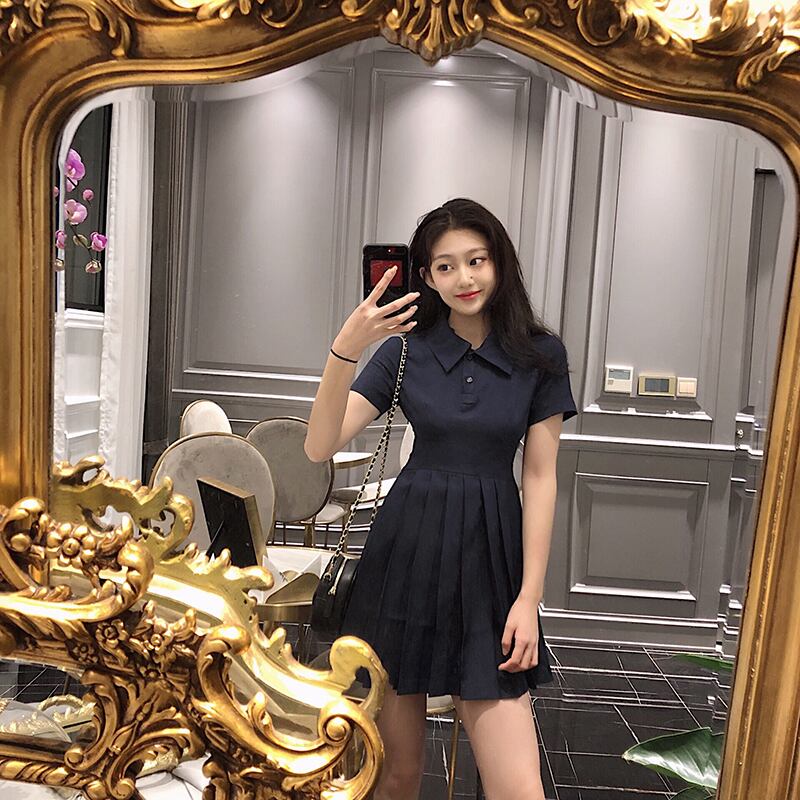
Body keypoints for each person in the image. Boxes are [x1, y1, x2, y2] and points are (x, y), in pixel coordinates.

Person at [305, 198, 578, 800]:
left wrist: (529, 598)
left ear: (499, 262)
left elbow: (540, 478)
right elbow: (319, 445)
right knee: (395, 777)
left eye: (476, 260)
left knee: (518, 788)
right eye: (446, 266)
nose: (464, 278)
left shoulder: (540, 355)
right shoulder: (405, 349)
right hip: (405, 559)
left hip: (490, 566)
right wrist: (346, 347)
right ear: (425, 277)